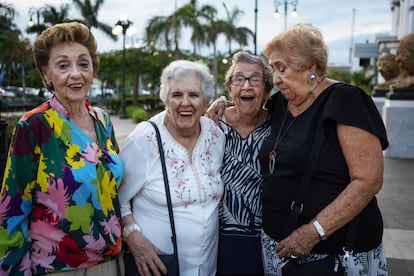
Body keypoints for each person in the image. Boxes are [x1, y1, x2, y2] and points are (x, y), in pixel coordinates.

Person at [258, 23, 389, 275]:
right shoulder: (281, 104)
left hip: (333, 253)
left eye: (282, 69)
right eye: (273, 69)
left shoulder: (346, 100)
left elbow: (368, 180)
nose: (275, 79)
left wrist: (313, 231)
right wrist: (223, 105)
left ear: (312, 68)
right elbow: (248, 111)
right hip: (279, 249)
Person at [0, 22, 123, 275]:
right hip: (58, 267)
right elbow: (11, 207)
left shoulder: (103, 120)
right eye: (64, 65)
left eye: (83, 63)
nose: (76, 73)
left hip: (110, 262)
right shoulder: (34, 125)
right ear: (47, 74)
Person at [118, 60, 226, 276]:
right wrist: (133, 237)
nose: (185, 103)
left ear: (206, 101)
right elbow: (116, 198)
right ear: (165, 99)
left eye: (194, 95)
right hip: (157, 266)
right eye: (176, 95)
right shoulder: (144, 139)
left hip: (207, 267)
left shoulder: (216, 136)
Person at [215, 51, 273, 276]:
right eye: (238, 79)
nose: (246, 86)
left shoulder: (279, 126)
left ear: (267, 90)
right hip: (217, 236)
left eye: (255, 79)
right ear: (229, 89)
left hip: (265, 236)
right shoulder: (212, 124)